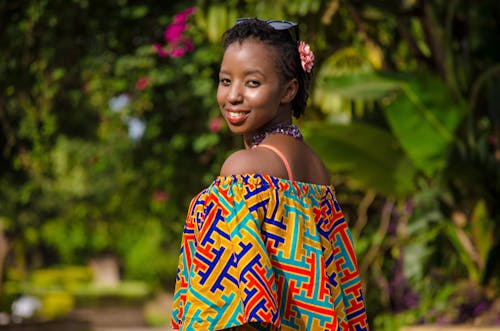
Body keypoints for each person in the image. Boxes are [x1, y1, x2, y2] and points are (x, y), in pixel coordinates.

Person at [171, 18, 369, 331]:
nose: (233, 96)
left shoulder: (243, 170)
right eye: (225, 81)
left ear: (289, 89)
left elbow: (236, 308)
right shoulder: (317, 170)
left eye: (252, 83)